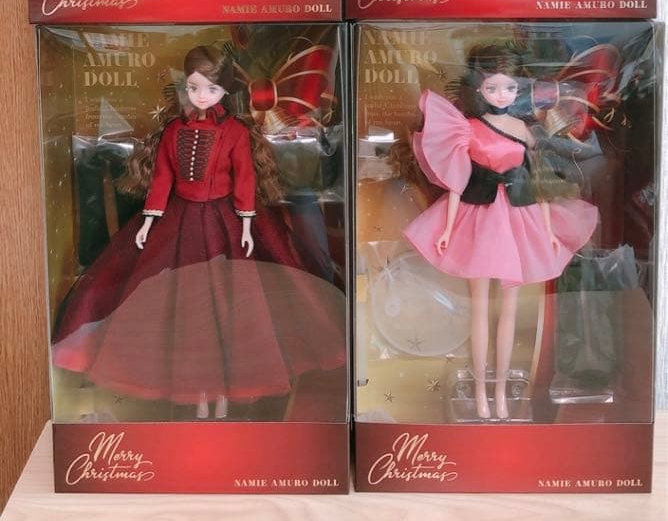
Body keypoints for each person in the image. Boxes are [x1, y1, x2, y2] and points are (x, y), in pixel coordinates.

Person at [51, 45, 345, 420]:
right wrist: (149, 220)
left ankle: (226, 395)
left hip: (226, 222)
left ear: (224, 91)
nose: (201, 96)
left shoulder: (235, 132)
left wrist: (247, 223)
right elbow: (162, 179)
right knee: (184, 306)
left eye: (210, 89)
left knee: (235, 305)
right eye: (193, 88)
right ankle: (197, 397)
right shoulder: (174, 131)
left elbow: (245, 178)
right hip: (179, 223)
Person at [403, 45, 598, 420]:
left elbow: (536, 183)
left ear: (518, 89)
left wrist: (549, 230)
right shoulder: (468, 129)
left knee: (508, 310)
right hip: (478, 219)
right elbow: (458, 182)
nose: (502, 95)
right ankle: (480, 392)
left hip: (517, 220)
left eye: (509, 88)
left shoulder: (524, 130)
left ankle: (501, 393)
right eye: (493, 88)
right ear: (479, 88)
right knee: (479, 309)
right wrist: (447, 228)